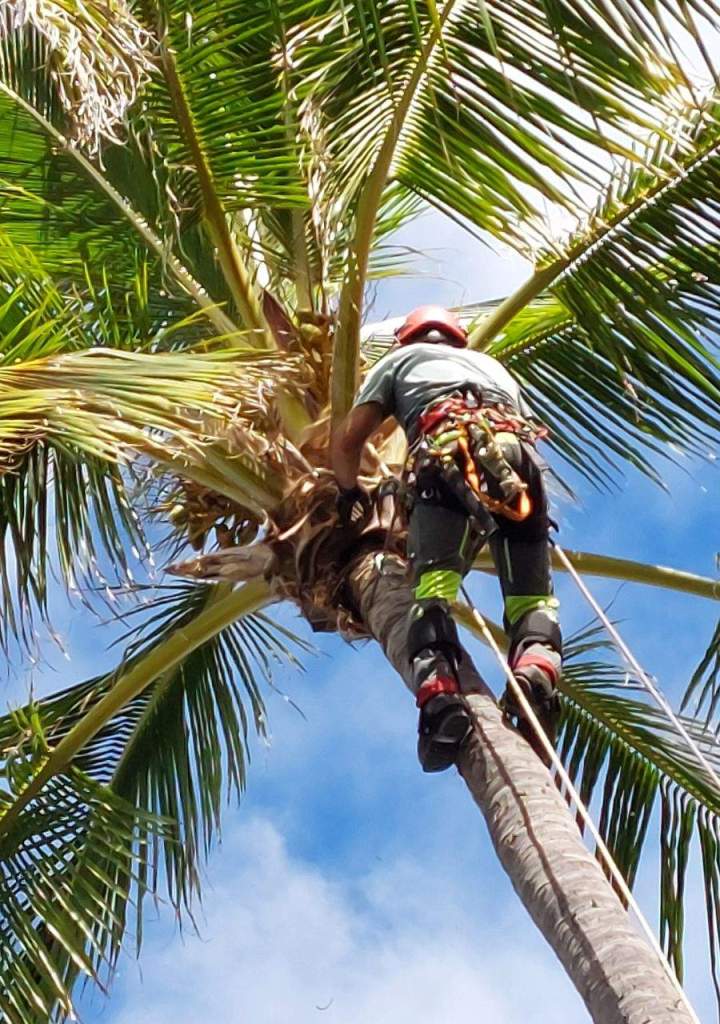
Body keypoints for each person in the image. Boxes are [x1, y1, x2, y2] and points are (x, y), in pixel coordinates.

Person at [331, 305, 562, 773]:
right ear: (457, 339)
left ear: (407, 337)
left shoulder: (398, 362)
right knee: (533, 597)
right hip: (520, 466)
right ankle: (535, 672)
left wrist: (348, 491)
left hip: (446, 456)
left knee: (432, 593)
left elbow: (348, 441)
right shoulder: (493, 367)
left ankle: (441, 704)